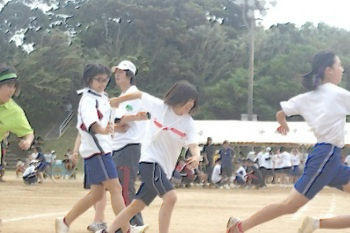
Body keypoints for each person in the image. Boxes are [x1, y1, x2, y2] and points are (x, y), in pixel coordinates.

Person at [226, 51, 350, 233]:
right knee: (289, 206)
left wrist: (283, 124)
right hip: (326, 156)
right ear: (328, 70)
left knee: (289, 205)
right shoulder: (338, 94)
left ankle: (315, 224)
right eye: (339, 65)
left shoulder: (308, 96)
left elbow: (281, 112)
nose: (342, 69)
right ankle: (239, 227)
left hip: (327, 157)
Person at [97, 80, 201, 233]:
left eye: (193, 102)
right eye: (188, 100)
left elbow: (193, 144)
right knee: (171, 198)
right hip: (149, 161)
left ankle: (109, 231)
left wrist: (197, 156)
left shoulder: (188, 123)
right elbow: (139, 95)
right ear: (178, 98)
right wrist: (118, 101)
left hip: (164, 169)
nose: (190, 104)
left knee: (137, 205)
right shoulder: (159, 107)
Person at [55, 64, 146, 233]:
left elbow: (108, 123)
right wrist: (104, 130)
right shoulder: (88, 99)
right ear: (89, 80)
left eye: (105, 80)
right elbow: (91, 124)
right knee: (116, 188)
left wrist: (113, 128)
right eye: (98, 80)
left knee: (96, 194)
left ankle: (65, 221)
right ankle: (127, 229)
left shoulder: (102, 97)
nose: (102, 83)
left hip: (102, 149)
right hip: (97, 151)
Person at [88, 60, 149, 232]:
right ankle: (125, 225)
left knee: (124, 189)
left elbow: (123, 125)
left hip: (128, 148)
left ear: (130, 75)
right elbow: (119, 125)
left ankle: (134, 225)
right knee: (112, 186)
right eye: (116, 72)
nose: (117, 74)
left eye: (121, 72)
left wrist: (107, 128)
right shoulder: (123, 97)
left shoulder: (132, 95)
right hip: (120, 148)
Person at [0, 64, 34, 182]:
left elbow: (28, 133)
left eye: (14, 86)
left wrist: (27, 141)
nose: (12, 90)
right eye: (8, 86)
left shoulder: (14, 111)